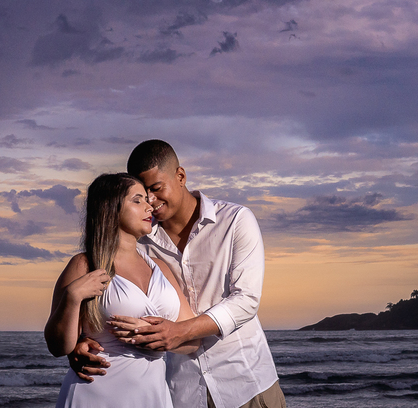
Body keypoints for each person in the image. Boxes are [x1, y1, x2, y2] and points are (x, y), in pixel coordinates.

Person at [68, 141, 285, 408]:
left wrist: (180, 331)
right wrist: (80, 343)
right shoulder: (138, 240)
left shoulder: (236, 220)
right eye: (143, 192)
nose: (150, 200)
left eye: (156, 188)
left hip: (245, 383)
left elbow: (246, 300)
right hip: (180, 392)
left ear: (180, 176)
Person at [46, 173, 199, 408]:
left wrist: (157, 335)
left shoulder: (160, 267)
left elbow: (193, 342)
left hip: (152, 395)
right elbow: (58, 347)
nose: (150, 206)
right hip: (95, 393)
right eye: (138, 200)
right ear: (110, 209)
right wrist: (72, 297)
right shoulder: (85, 265)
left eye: (147, 200)